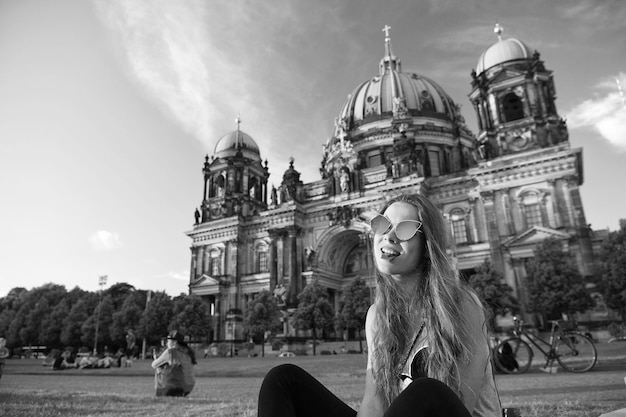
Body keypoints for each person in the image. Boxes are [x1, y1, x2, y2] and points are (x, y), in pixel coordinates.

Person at [257, 194, 501, 417]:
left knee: (426, 391)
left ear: (427, 247)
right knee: (283, 379)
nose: (389, 236)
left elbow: (458, 404)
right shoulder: (377, 315)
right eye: (382, 225)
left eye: (405, 229)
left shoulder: (460, 304)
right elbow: (374, 405)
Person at [151, 330, 196, 397]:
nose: (167, 343)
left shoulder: (171, 352)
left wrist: (156, 358)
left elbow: (154, 365)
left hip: (175, 388)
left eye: (168, 341)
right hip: (188, 388)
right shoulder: (188, 352)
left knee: (159, 368)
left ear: (174, 342)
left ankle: (160, 392)